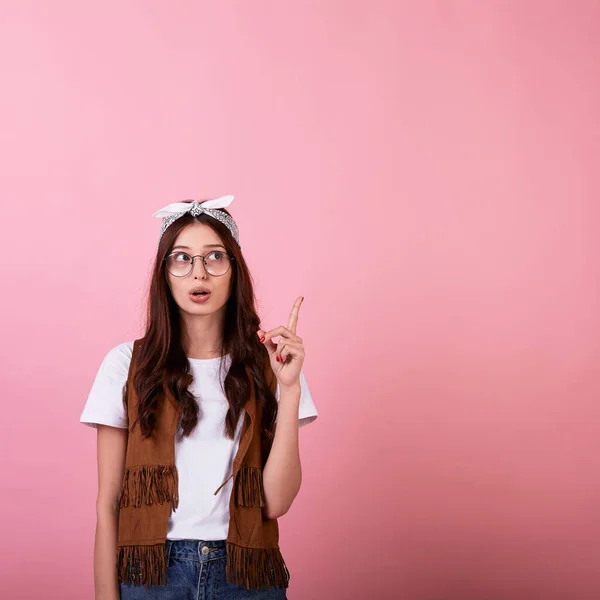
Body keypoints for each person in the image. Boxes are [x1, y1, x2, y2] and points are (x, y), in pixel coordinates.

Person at [79, 195, 318, 599]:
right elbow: (108, 503)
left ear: (234, 269)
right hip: (154, 576)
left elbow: (276, 503)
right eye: (182, 258)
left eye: (214, 257)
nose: (199, 273)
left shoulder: (272, 365)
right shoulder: (126, 365)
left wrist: (290, 388)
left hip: (245, 576)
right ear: (165, 272)